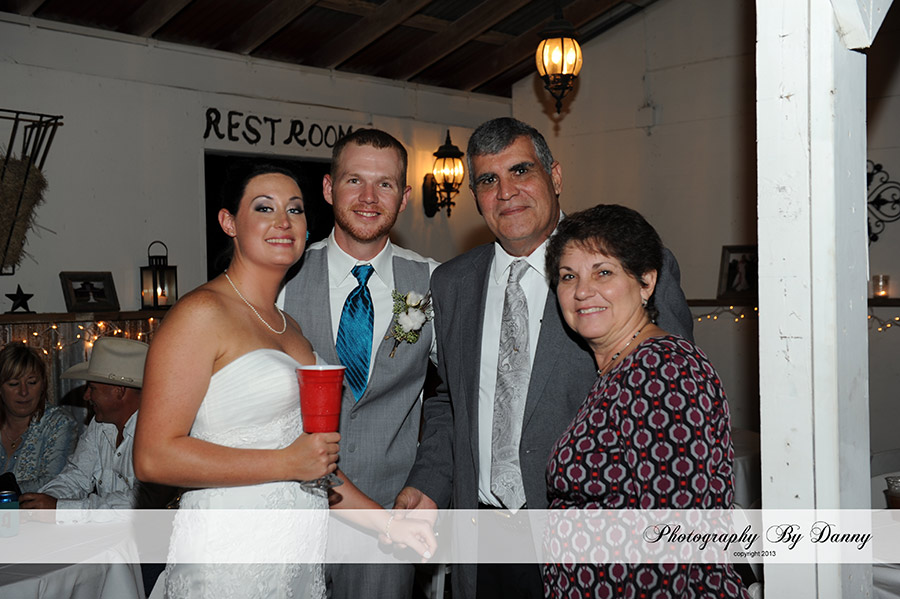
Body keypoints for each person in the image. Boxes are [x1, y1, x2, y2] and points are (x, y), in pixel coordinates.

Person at [394, 117, 694, 599]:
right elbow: (451, 400)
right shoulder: (452, 283)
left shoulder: (623, 270)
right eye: (488, 180)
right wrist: (429, 483)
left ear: (554, 176)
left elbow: (669, 409)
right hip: (482, 539)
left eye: (521, 171)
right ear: (476, 196)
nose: (506, 192)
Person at [133, 163, 435, 599]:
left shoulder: (289, 327)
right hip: (231, 555)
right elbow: (152, 457)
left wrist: (387, 524)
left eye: (295, 209)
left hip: (296, 557)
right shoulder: (200, 314)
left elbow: (314, 462)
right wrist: (287, 464)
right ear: (229, 222)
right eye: (264, 208)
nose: (283, 221)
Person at [541, 203, 749, 598]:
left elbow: (673, 540)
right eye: (569, 276)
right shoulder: (619, 370)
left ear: (646, 282)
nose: (582, 291)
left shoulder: (662, 368)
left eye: (603, 272)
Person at [280, 128, 438, 599]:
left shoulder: (432, 282)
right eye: (354, 181)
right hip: (289, 511)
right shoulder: (282, 279)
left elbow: (459, 398)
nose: (369, 198)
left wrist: (430, 482)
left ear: (403, 197)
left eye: (384, 184)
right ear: (329, 188)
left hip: (387, 526)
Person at [19, 336, 168, 521]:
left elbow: (139, 503)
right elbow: (76, 476)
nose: (86, 396)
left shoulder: (159, 434)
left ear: (119, 391)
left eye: (92, 388)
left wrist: (60, 509)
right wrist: (44, 501)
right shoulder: (100, 424)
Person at [0, 343, 78, 494]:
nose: (24, 392)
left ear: (43, 385)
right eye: (14, 384)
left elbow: (54, 482)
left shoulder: (59, 423)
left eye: (32, 382)